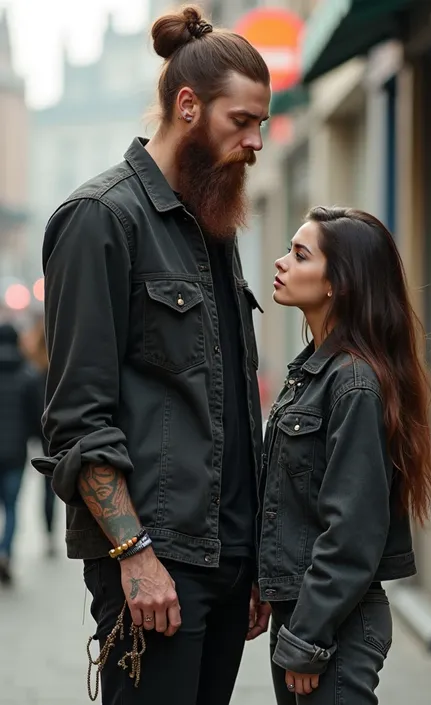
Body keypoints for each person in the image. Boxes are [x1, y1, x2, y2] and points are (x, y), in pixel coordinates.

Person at [32, 5, 272, 705]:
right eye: (243, 122)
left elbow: (225, 404)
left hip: (225, 562)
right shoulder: (101, 218)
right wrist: (133, 555)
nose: (257, 141)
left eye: (261, 121)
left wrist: (254, 556)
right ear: (188, 106)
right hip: (153, 567)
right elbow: (78, 418)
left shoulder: (214, 228)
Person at [258, 207, 431, 704]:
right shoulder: (313, 374)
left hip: (334, 623)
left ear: (339, 281)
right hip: (304, 611)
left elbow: (352, 529)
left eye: (299, 255)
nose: (280, 263)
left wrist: (310, 636)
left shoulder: (353, 383)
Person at [0, 322, 41, 585]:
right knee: (12, 508)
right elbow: (36, 419)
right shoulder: (28, 375)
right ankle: (4, 552)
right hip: (15, 454)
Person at [26, 315, 57, 557]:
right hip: (63, 431)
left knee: (48, 487)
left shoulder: (35, 371)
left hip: (46, 436)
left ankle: (48, 534)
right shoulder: (60, 369)